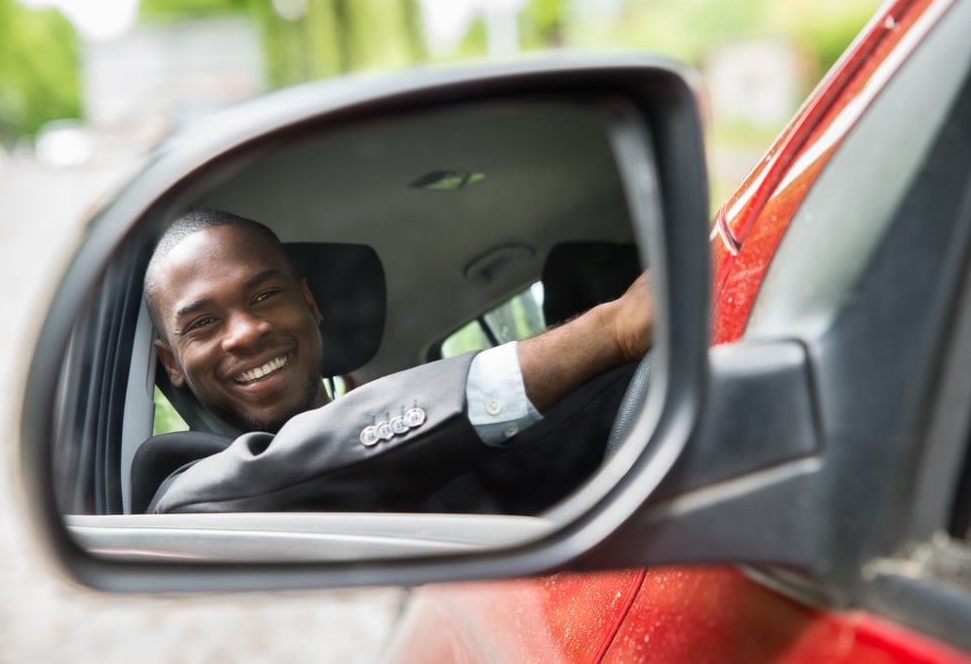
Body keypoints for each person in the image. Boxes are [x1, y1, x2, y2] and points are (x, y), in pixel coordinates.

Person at [133, 210, 653, 514]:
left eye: (266, 295)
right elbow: (299, 463)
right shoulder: (182, 489)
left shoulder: (444, 450)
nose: (246, 332)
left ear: (310, 303)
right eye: (202, 323)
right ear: (170, 363)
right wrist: (611, 330)